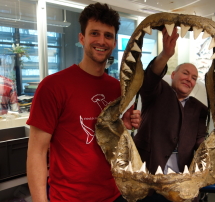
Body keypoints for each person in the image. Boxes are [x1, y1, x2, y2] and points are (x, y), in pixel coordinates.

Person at [26, 3, 141, 202]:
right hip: (69, 197)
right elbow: (37, 151)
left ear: (114, 43)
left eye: (108, 35)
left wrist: (125, 126)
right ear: (82, 38)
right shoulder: (53, 86)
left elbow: (114, 143)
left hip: (114, 195)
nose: (101, 41)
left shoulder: (118, 89)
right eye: (94, 33)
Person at [133, 27, 207, 202]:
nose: (189, 79)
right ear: (173, 74)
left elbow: (199, 139)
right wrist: (165, 55)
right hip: (149, 177)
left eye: (194, 78)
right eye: (185, 73)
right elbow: (151, 76)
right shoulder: (157, 92)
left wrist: (209, 149)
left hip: (180, 182)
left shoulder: (199, 109)